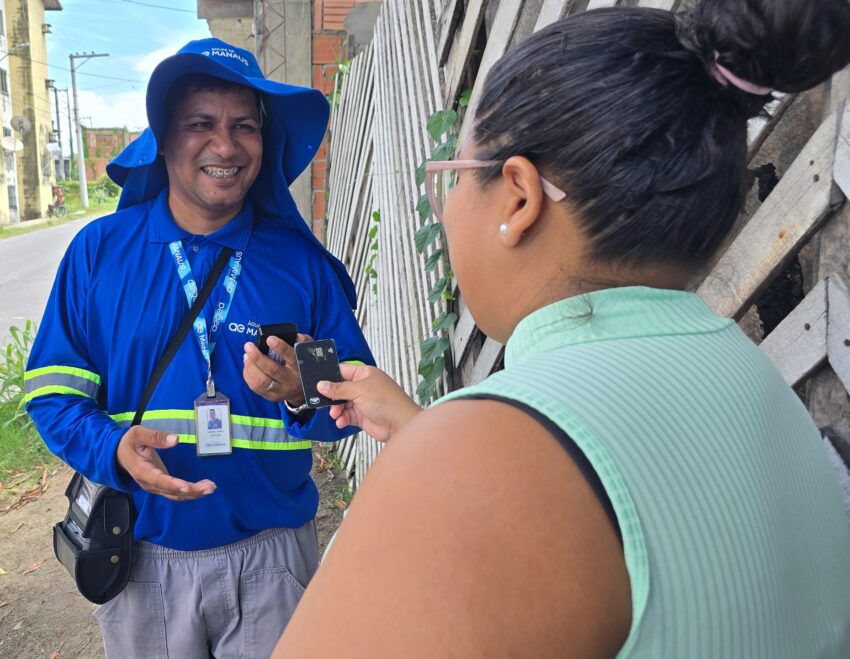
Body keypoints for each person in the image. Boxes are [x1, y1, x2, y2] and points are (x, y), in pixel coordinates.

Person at [274, 1, 850, 656]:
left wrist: (439, 448)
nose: (446, 212)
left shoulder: (471, 468)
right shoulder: (759, 386)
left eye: (453, 179)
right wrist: (424, 427)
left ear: (518, 197)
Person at [24, 38, 374, 659]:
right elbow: (52, 393)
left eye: (244, 126)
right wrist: (112, 449)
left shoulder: (302, 268)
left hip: (274, 560)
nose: (225, 145)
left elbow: (345, 395)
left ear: (264, 145)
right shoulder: (99, 254)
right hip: (142, 562)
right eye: (201, 125)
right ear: (163, 139)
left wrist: (302, 392)